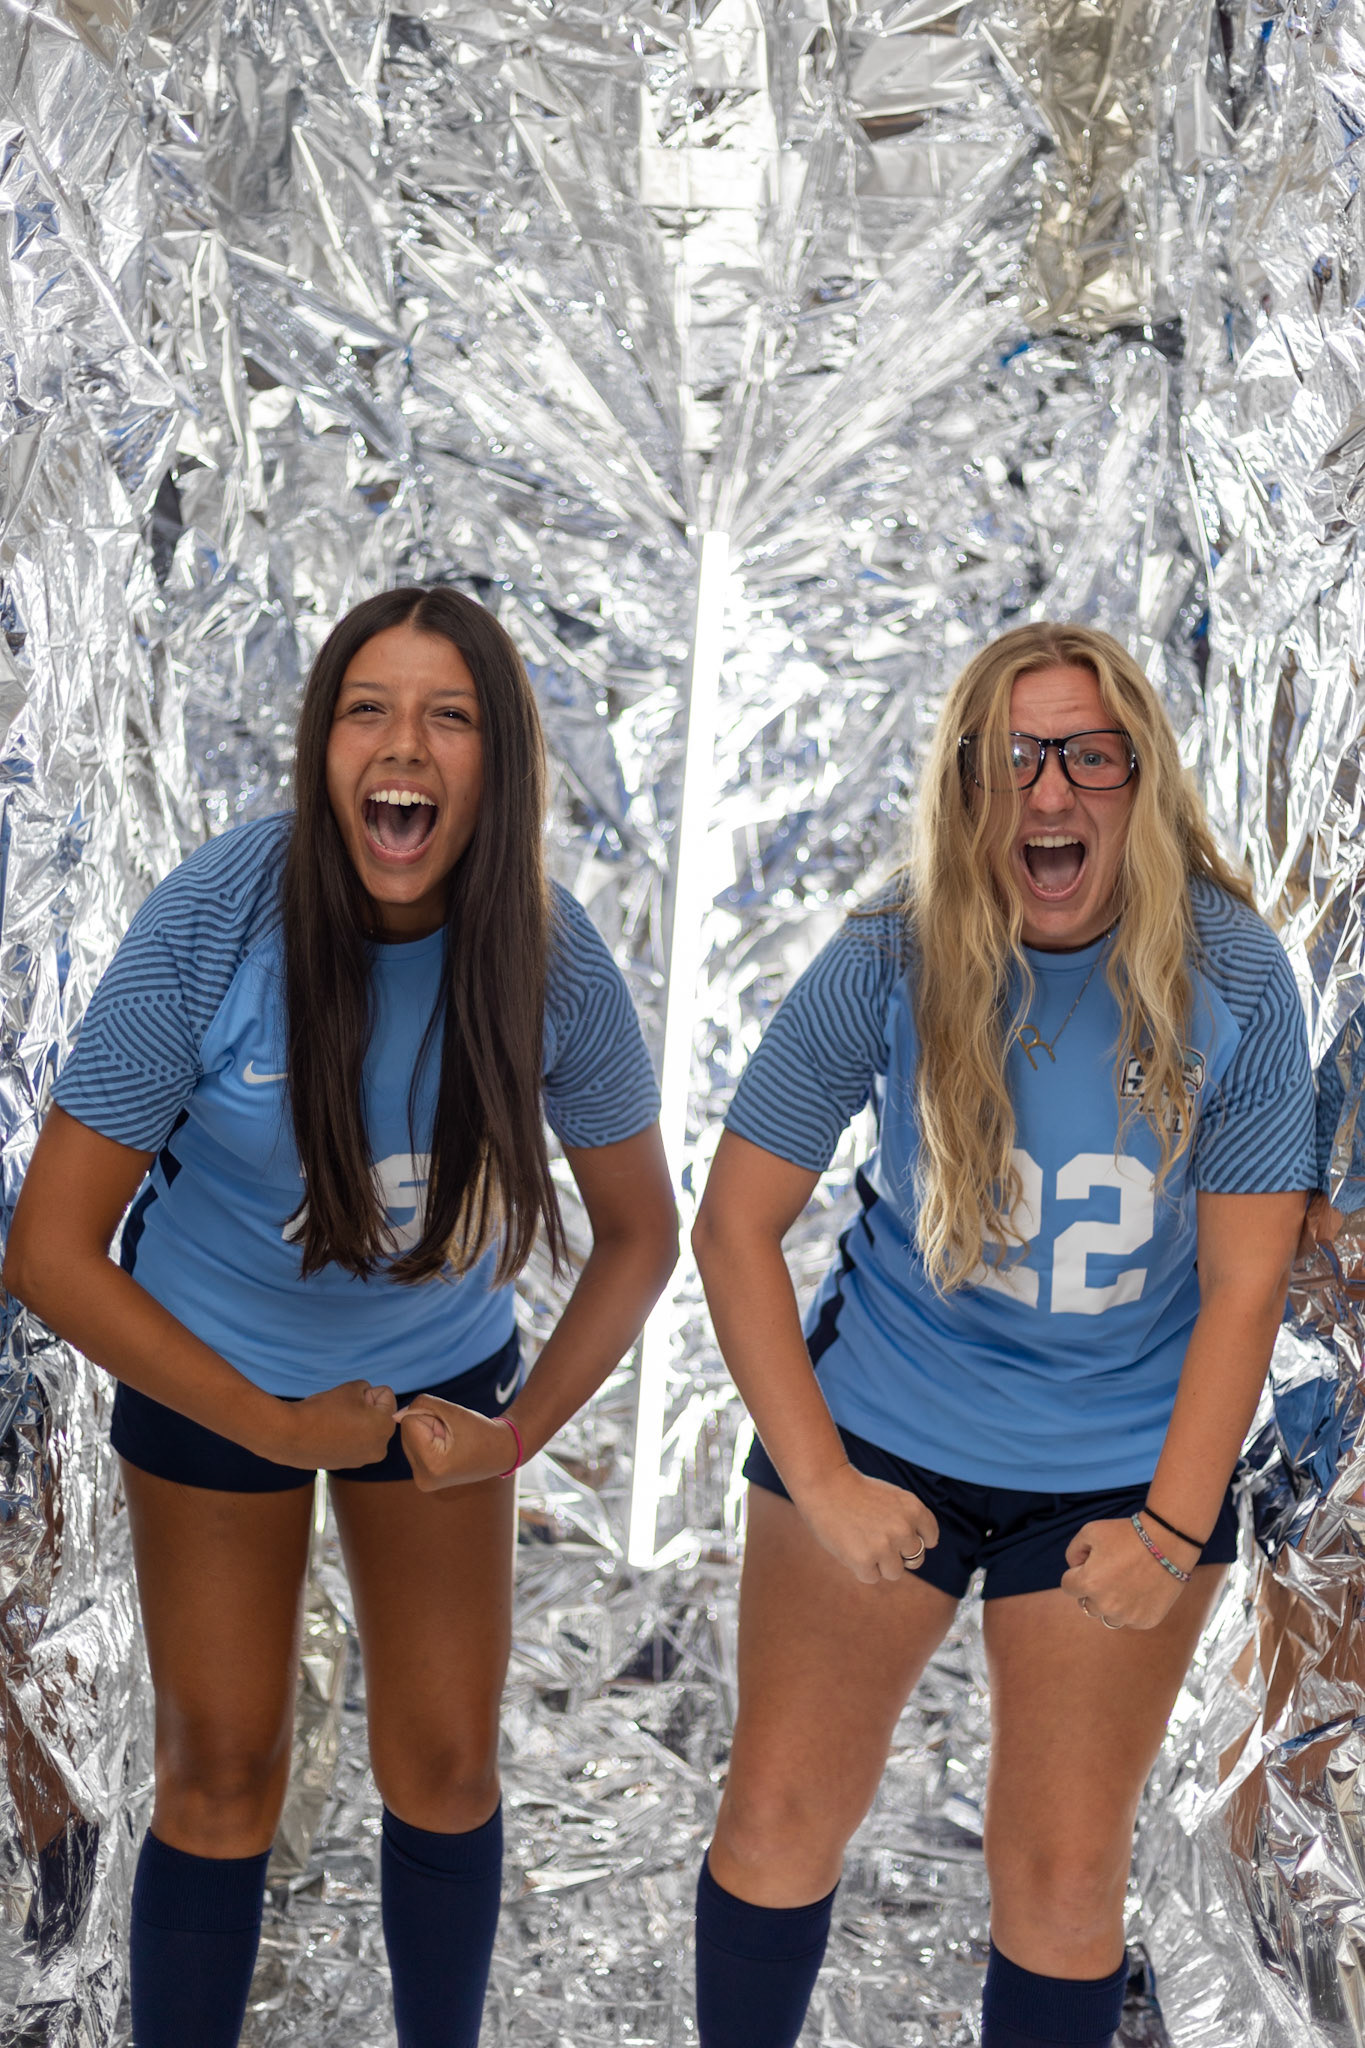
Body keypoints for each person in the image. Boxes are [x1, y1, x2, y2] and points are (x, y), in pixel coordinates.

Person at [3, 585, 677, 2048]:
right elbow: (51, 1248)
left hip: (436, 1382)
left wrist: (511, 1439)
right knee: (222, 1772)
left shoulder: (546, 957)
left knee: (441, 1765)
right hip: (217, 1379)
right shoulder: (218, 916)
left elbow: (641, 1235)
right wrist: (269, 1422)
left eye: (449, 715)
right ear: (323, 747)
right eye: (369, 708)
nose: (406, 744)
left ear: (497, 760)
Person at [689, 622, 1316, 2048]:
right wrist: (824, 1482)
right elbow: (731, 1226)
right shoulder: (890, 953)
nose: (1049, 794)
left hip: (1114, 1461)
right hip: (888, 1422)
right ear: (965, 785)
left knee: (1059, 1875)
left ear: (1140, 780)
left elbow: (1242, 1283)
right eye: (1011, 758)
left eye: (1087, 757)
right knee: (778, 1818)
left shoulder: (1232, 975)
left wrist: (1167, 1531)